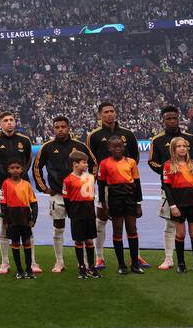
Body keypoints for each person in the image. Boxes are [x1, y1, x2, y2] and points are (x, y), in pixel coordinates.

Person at [148, 105, 193, 271]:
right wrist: (171, 171)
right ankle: (168, 259)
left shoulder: (190, 138)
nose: (172, 121)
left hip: (192, 188)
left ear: (179, 119)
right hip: (169, 189)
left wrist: (188, 171)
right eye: (168, 119)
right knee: (170, 225)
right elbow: (152, 161)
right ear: (163, 121)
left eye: (175, 118)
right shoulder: (157, 140)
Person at [32, 116, 91, 274]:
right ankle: (59, 262)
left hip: (78, 196)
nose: (60, 130)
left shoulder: (79, 146)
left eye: (63, 126)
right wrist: (44, 188)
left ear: (68, 127)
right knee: (58, 228)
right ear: (53, 129)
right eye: (57, 127)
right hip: (57, 195)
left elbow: (94, 164)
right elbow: (37, 167)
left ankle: (84, 262)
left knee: (82, 229)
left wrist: (88, 184)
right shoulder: (47, 147)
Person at [86, 103, 140, 271]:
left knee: (130, 224)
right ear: (100, 115)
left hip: (125, 186)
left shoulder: (127, 134)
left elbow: (135, 157)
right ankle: (99, 256)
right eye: (106, 112)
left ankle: (134, 257)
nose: (110, 115)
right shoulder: (93, 136)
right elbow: (90, 160)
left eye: (112, 111)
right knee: (101, 220)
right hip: (104, 184)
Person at [0, 112, 33, 275]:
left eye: (11, 120)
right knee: (5, 225)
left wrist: (19, 176)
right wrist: (1, 177)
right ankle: (5, 262)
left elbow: (27, 161)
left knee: (27, 225)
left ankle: (31, 262)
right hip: (2, 188)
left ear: (15, 122)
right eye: (5, 121)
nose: (9, 123)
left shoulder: (24, 140)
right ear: (0, 124)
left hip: (22, 188)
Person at [97, 137, 144, 275]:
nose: (117, 149)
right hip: (114, 199)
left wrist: (138, 204)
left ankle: (135, 263)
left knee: (132, 229)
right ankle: (121, 264)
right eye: (114, 147)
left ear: (123, 148)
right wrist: (103, 205)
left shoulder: (131, 162)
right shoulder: (104, 163)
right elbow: (101, 186)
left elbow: (137, 184)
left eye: (120, 146)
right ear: (109, 148)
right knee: (117, 230)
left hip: (130, 198)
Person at [162, 136, 193, 274]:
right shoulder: (168, 165)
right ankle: (181, 264)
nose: (182, 148)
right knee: (180, 234)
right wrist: (172, 206)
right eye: (178, 146)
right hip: (178, 204)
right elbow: (167, 188)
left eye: (184, 146)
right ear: (173, 149)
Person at [61, 151, 100, 279]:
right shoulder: (68, 180)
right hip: (76, 212)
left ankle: (91, 266)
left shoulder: (90, 177)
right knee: (79, 240)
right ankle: (82, 266)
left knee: (89, 240)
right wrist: (71, 213)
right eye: (84, 162)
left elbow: (91, 196)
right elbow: (66, 199)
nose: (86, 165)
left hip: (89, 212)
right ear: (75, 164)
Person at [0, 160, 38, 280]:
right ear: (8, 170)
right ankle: (19, 270)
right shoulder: (5, 184)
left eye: (17, 167)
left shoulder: (26, 184)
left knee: (27, 243)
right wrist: (5, 220)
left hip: (25, 217)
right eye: (12, 168)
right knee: (15, 243)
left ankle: (28, 270)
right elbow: (3, 204)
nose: (15, 170)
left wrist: (33, 218)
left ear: (22, 170)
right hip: (12, 217)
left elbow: (33, 203)